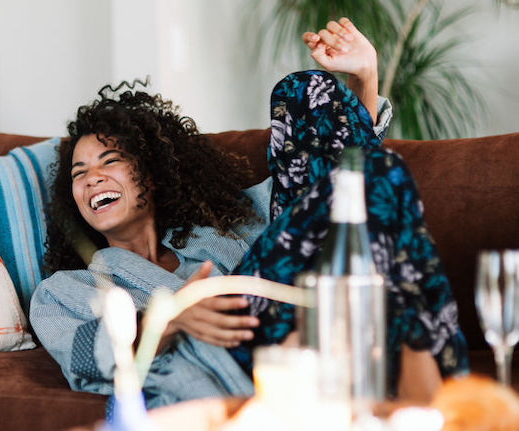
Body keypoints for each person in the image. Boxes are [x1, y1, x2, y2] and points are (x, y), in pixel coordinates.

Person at [30, 17, 468, 409]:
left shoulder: (218, 230)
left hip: (297, 312)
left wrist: (365, 80)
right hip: (225, 363)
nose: (91, 179)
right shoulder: (64, 289)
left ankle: (417, 380)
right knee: (380, 171)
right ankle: (437, 380)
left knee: (303, 92)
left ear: (152, 174)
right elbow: (84, 356)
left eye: (110, 161)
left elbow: (324, 186)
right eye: (78, 173)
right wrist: (171, 316)